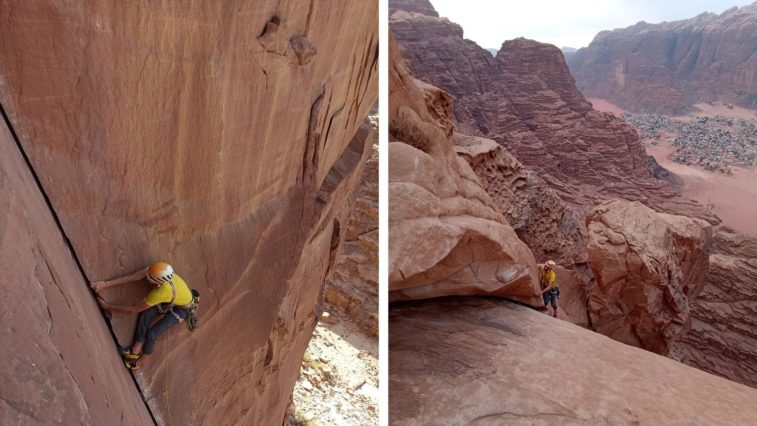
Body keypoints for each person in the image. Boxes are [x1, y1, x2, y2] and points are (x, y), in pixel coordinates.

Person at [91, 262, 193, 369]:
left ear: (158, 282)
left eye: (150, 278)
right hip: (176, 296)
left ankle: (140, 362)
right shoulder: (158, 270)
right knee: (147, 313)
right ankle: (136, 349)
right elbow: (135, 276)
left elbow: (132, 310)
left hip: (183, 309)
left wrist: (107, 306)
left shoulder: (160, 293)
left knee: (152, 334)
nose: (147, 278)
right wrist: (105, 284)